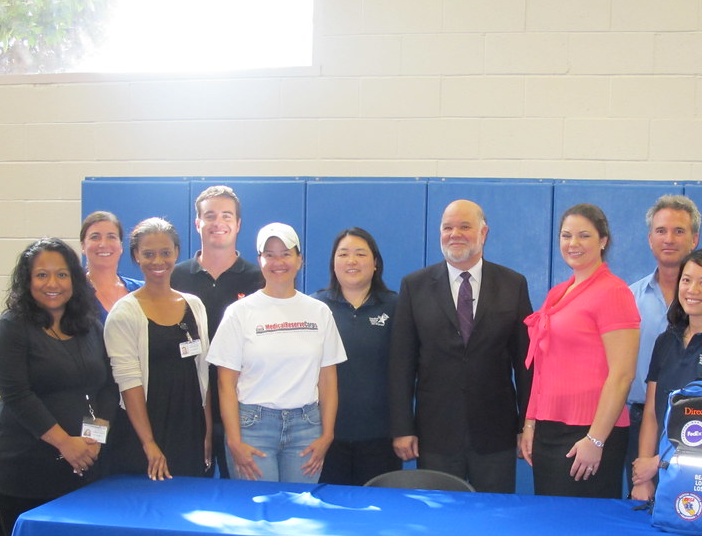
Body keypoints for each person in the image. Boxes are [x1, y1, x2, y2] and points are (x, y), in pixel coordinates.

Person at [388, 199, 532, 494]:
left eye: (464, 226)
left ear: (484, 232)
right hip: (436, 432)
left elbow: (526, 363)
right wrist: (403, 428)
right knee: (439, 519)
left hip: (496, 433)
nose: (455, 234)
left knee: (495, 517)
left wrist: (526, 426)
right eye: (447, 227)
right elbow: (400, 364)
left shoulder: (513, 284)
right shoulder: (414, 286)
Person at [0, 238, 118, 536]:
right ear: (27, 280)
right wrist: (65, 443)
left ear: (73, 278)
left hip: (84, 466)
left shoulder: (89, 326)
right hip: (25, 470)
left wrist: (94, 437)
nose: (52, 283)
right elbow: (18, 396)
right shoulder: (10, 329)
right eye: (41, 274)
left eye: (61, 274)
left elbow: (108, 386)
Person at [207, 223, 346, 483]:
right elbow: (225, 383)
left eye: (285, 253)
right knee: (259, 512)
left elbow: (328, 379)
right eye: (269, 254)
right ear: (259, 260)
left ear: (299, 259)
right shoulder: (239, 312)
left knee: (299, 510)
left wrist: (327, 435)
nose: (278, 261)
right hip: (252, 427)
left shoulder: (319, 312)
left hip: (307, 427)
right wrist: (234, 441)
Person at [625, 195, 702, 485]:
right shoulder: (631, 299)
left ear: (694, 239)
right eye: (661, 231)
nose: (669, 239)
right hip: (644, 424)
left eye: (679, 231)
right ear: (650, 239)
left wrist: (661, 461)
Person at [520, 204, 639, 499]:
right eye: (566, 235)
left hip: (589, 433)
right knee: (549, 525)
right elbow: (542, 366)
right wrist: (531, 423)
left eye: (584, 235)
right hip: (549, 429)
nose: (573, 244)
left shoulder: (614, 292)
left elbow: (622, 375)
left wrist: (596, 440)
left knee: (582, 530)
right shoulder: (558, 292)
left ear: (603, 241)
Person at [104, 218, 211, 480]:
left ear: (176, 252)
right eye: (148, 254)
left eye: (165, 252)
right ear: (136, 257)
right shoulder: (125, 312)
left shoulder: (194, 305)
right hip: (146, 432)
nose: (158, 261)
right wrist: (149, 443)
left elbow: (203, 374)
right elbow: (129, 384)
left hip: (189, 428)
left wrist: (207, 432)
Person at [171, 186, 264, 478]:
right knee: (188, 492)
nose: (218, 223)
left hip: (244, 406)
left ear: (238, 224)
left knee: (243, 494)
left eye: (226, 216)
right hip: (188, 404)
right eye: (209, 216)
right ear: (197, 223)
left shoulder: (258, 278)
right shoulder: (176, 276)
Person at [313, 227, 401, 485]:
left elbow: (407, 371)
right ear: (333, 263)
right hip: (325, 438)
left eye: (360, 254)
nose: (351, 261)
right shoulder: (316, 307)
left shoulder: (396, 306)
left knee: (376, 516)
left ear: (375, 263)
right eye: (343, 254)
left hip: (380, 438)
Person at [79, 210, 142, 322]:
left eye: (111, 237)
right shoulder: (73, 293)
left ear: (121, 246)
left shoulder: (141, 291)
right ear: (83, 246)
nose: (103, 244)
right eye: (95, 237)